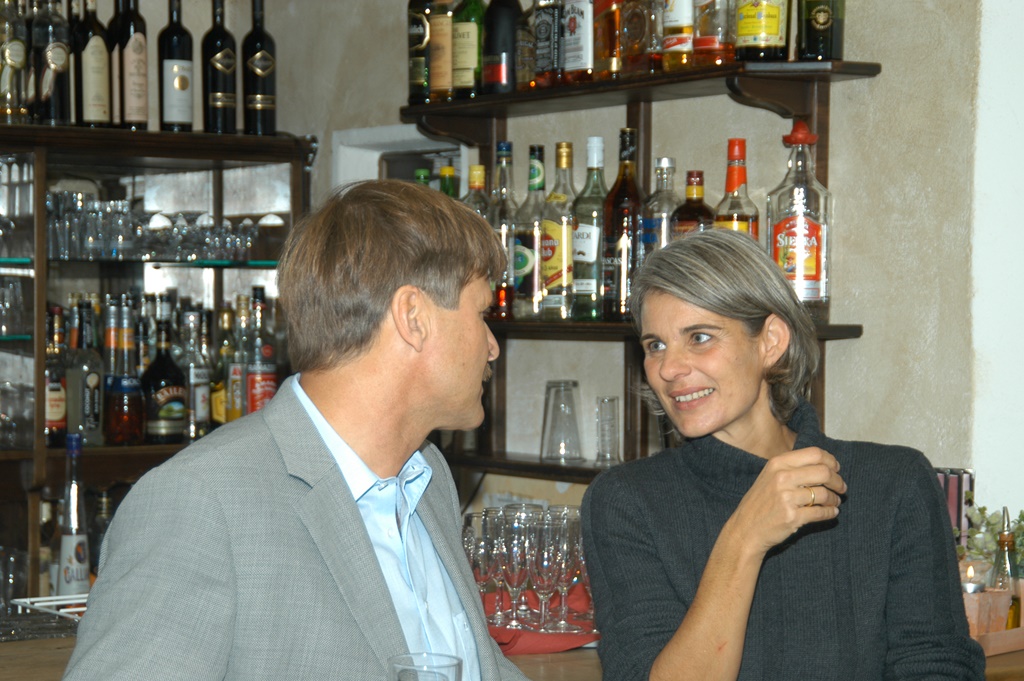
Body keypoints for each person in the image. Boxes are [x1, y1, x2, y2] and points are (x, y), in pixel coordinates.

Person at [63, 180, 530, 681]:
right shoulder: (201, 503)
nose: (492, 345)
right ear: (413, 317)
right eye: (481, 313)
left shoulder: (426, 478)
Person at [580, 229, 985, 681]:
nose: (669, 369)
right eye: (655, 345)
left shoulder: (894, 483)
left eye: (700, 337)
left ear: (770, 341)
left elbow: (936, 666)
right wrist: (743, 539)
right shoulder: (624, 501)